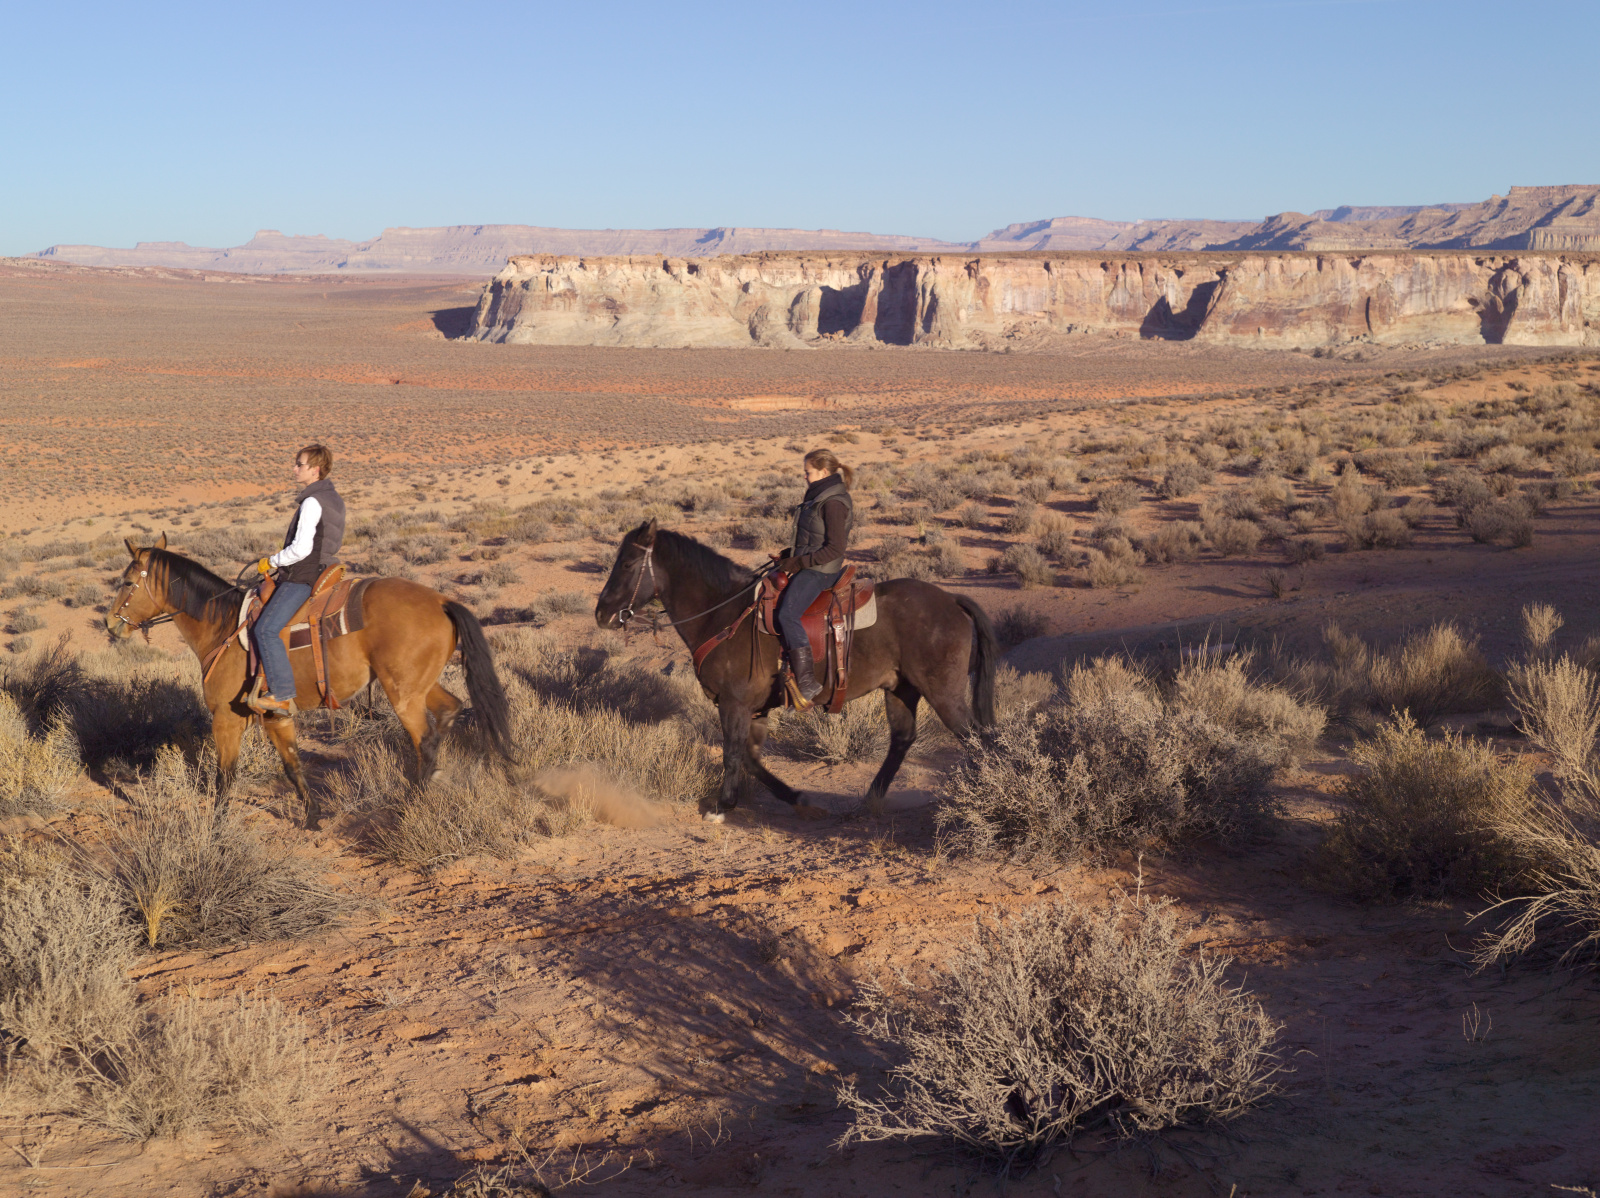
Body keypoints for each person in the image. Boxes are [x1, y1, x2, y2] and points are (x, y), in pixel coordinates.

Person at [248, 444, 346, 714]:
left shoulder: (312, 502)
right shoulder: (333, 497)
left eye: (299, 464)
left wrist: (272, 561)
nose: (294, 469)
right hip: (325, 569)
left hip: (304, 575)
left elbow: (302, 549)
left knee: (266, 629)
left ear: (314, 470)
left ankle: (281, 694)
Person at [773, 448, 854, 702]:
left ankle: (807, 682)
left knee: (788, 613)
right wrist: (789, 556)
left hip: (821, 572)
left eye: (808, 472)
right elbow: (812, 538)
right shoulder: (817, 497)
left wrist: (798, 563)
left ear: (823, 471)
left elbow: (834, 549)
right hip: (810, 564)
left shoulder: (833, 502)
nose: (804, 477)